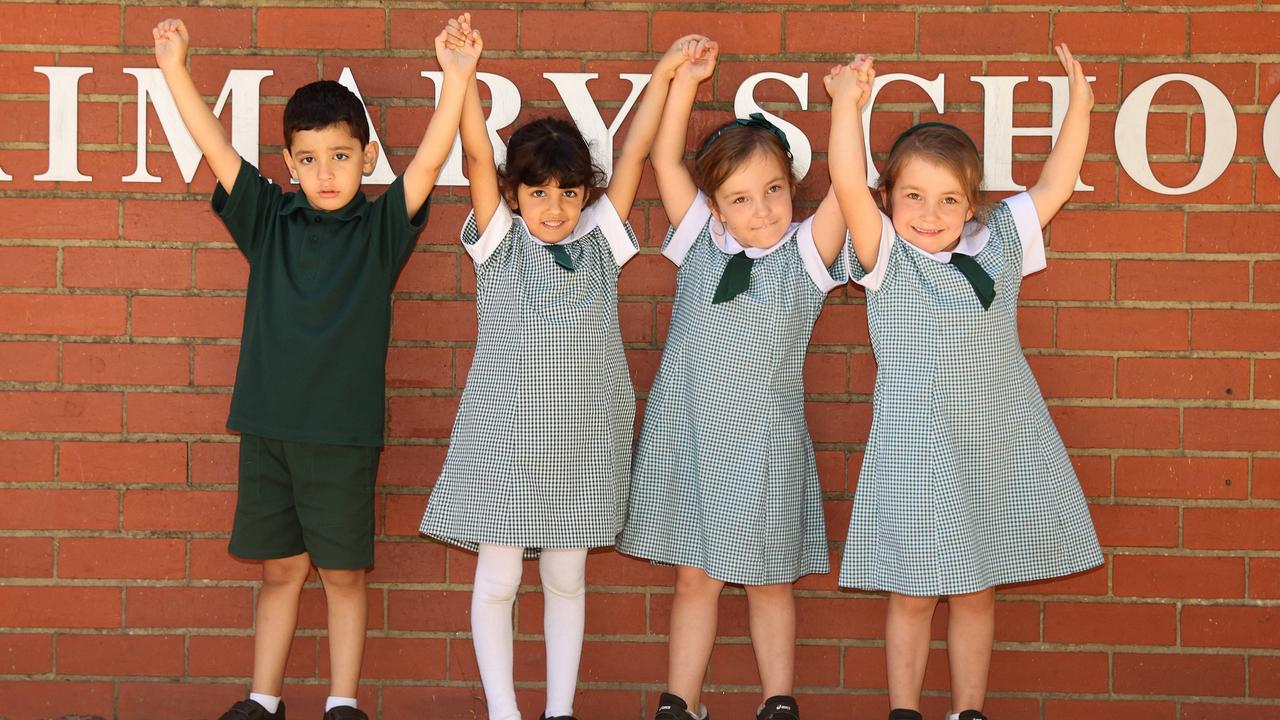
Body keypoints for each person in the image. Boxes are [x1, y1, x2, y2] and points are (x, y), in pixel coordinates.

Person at [152, 15, 478, 720]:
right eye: (308, 158)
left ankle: (341, 703)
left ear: (366, 159)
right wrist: (175, 68)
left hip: (341, 438)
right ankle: (262, 700)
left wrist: (456, 80)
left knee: (341, 574)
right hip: (269, 430)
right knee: (278, 571)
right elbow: (215, 147)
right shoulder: (269, 220)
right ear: (289, 163)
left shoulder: (380, 229)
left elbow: (425, 163)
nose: (324, 172)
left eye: (339, 156)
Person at [418, 17, 705, 720]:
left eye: (569, 192)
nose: (554, 206)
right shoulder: (500, 245)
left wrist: (668, 76)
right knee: (497, 577)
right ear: (518, 195)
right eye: (539, 192)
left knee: (567, 575)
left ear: (585, 194)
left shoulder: (602, 242)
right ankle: (504, 712)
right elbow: (478, 158)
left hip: (583, 438)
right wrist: (461, 78)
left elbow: (634, 153)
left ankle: (558, 711)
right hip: (506, 438)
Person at [827, 50, 1104, 720]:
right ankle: (904, 709)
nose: (930, 213)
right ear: (889, 198)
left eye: (949, 199)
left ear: (971, 203)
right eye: (914, 197)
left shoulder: (1000, 243)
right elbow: (844, 178)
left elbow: (1057, 183)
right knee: (915, 592)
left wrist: (1082, 108)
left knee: (977, 590)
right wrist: (846, 107)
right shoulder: (884, 253)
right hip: (918, 452)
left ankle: (969, 710)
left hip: (992, 441)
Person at [616, 37, 850, 720]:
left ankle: (779, 700)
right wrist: (686, 79)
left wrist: (847, 108)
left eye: (774, 191)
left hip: (763, 441)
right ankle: (678, 702)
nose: (762, 210)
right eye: (741, 199)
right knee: (696, 576)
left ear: (791, 189)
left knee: (769, 578)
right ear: (715, 206)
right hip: (689, 432)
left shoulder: (806, 253)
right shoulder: (699, 242)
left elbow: (848, 187)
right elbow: (663, 157)